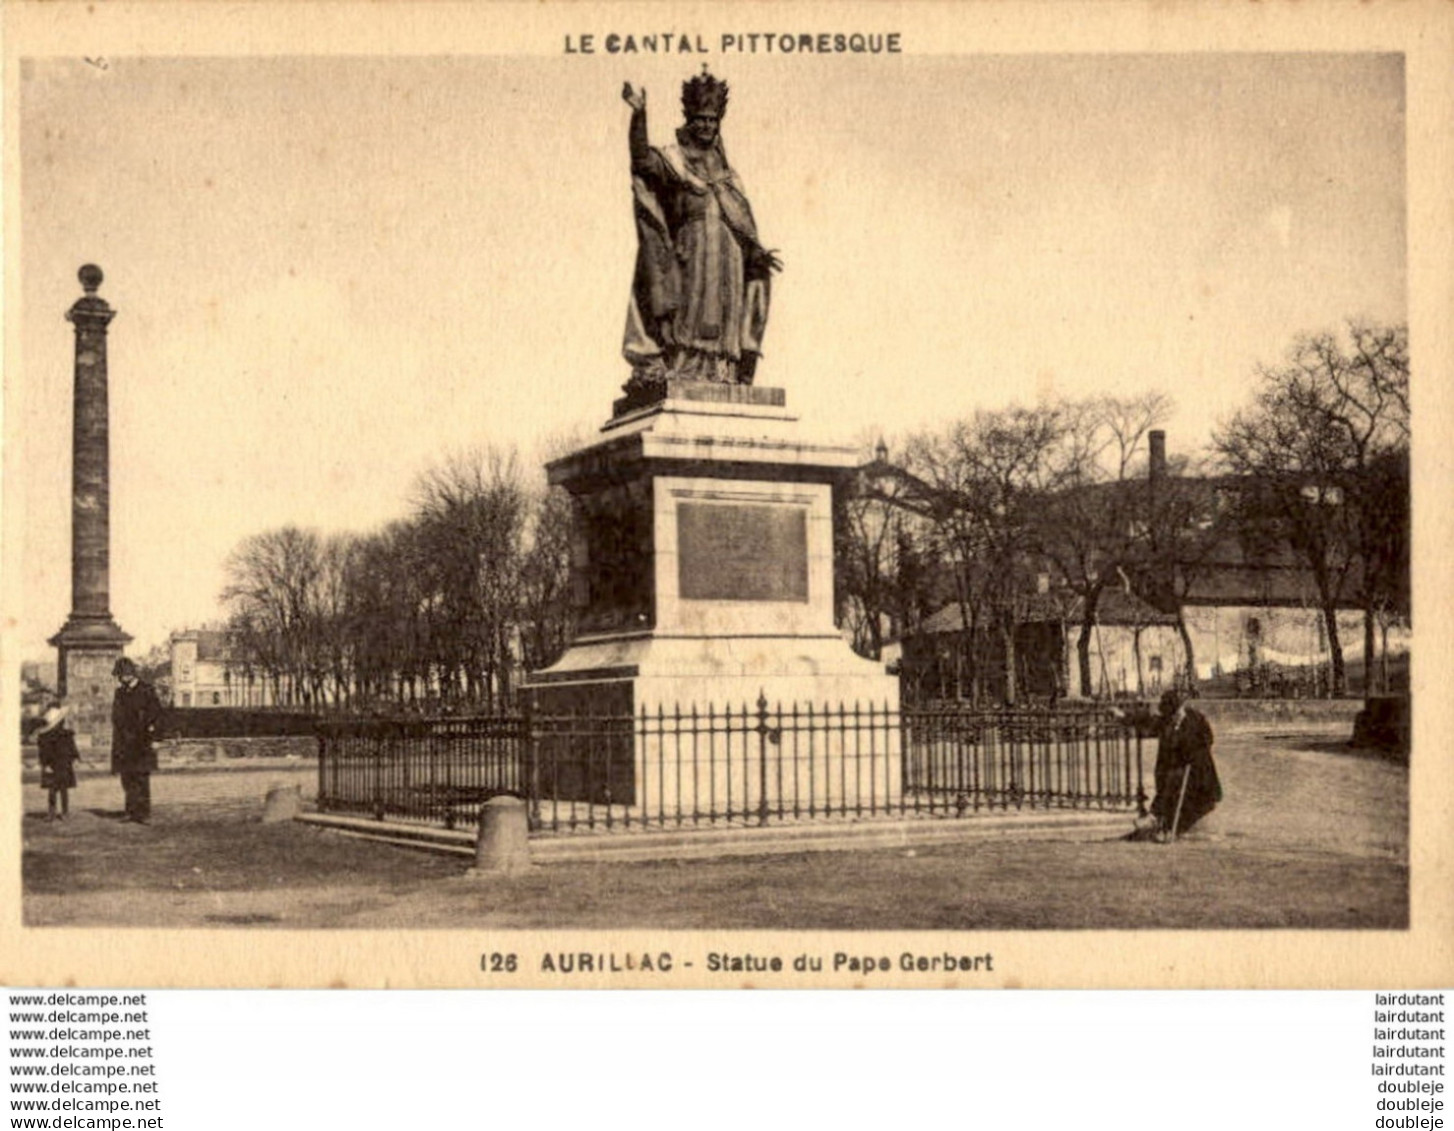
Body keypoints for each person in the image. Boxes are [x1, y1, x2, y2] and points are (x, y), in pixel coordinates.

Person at [621, 70, 781, 393]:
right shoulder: (674, 160)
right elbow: (641, 161)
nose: (707, 126)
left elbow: (741, 223)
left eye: (712, 120)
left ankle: (726, 374)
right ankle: (679, 369)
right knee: (687, 318)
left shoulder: (729, 176)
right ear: (689, 119)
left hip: (729, 260)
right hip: (689, 254)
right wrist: (639, 115)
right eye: (701, 119)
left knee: (726, 319)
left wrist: (756, 253)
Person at [1117, 688, 1222, 842]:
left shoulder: (1196, 720)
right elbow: (1147, 720)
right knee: (1169, 782)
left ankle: (1159, 821)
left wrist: (1191, 751)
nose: (1175, 717)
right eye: (1171, 715)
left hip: (1197, 773)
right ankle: (1160, 823)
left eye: (1177, 713)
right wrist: (1124, 717)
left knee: (1175, 784)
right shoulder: (1166, 721)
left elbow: (1207, 740)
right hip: (1172, 772)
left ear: (1181, 708)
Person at [111, 657, 163, 824]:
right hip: (124, 742)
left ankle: (143, 813)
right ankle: (130, 811)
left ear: (130, 674)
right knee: (127, 777)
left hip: (142, 741)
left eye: (122, 675)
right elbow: (116, 717)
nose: (120, 678)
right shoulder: (119, 693)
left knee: (141, 777)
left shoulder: (147, 690)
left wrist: (156, 739)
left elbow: (157, 716)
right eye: (119, 675)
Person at [35, 702, 81, 821]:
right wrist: (45, 764)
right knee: (52, 789)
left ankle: (65, 812)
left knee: (63, 789)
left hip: (64, 764)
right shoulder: (45, 737)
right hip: (52, 764)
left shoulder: (66, 734)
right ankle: (51, 812)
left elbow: (72, 747)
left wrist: (75, 758)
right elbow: (43, 752)